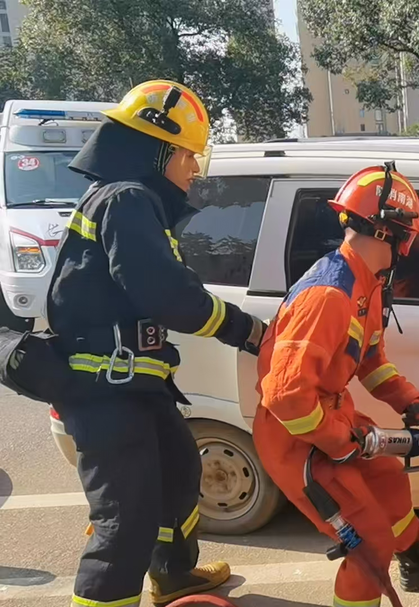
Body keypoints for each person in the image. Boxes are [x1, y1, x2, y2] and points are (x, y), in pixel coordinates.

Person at [46, 80, 266, 607]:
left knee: (178, 471)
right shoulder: (126, 199)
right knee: (124, 524)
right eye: (189, 155)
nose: (194, 168)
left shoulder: (130, 199)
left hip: (134, 383)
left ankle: (172, 574)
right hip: (103, 389)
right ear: (158, 149)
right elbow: (170, 295)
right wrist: (248, 331)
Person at [254, 164, 419, 607]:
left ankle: (416, 559)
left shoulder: (366, 283)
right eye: (407, 237)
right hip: (295, 437)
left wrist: (409, 403)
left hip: (329, 416)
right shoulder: (329, 296)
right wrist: (340, 442)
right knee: (368, 543)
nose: (410, 247)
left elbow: (369, 360)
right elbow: (285, 397)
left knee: (387, 478)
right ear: (389, 234)